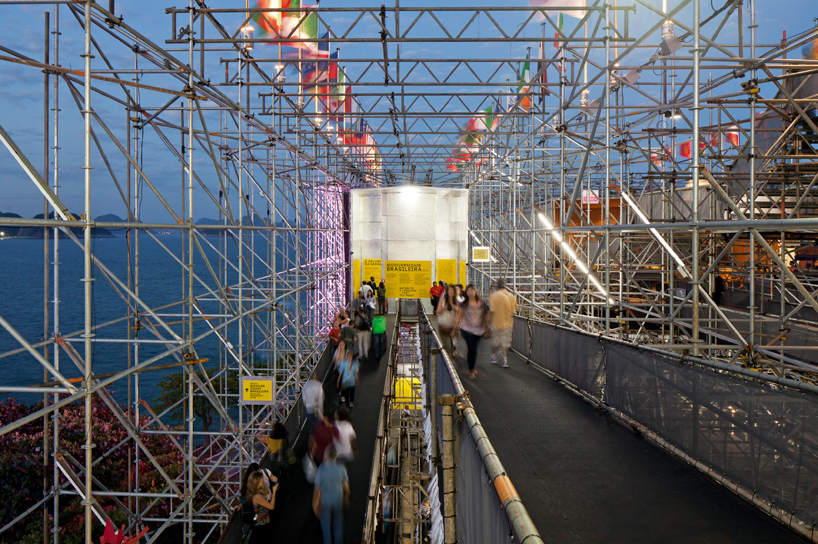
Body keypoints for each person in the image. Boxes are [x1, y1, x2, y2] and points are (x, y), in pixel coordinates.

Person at [453, 284, 490, 380]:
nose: (470, 292)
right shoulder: (464, 304)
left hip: (479, 330)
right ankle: (471, 370)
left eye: (472, 290)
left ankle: (472, 366)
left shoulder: (481, 303)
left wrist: (487, 327)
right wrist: (454, 328)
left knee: (474, 348)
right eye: (468, 291)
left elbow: (486, 314)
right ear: (466, 293)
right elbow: (458, 316)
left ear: (475, 292)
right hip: (467, 330)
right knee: (472, 348)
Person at [314, 445, 349, 544]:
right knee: (338, 524)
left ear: (327, 456)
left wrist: (315, 503)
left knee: (326, 527)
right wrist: (346, 498)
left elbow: (317, 488)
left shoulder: (321, 468)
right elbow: (346, 486)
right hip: (338, 500)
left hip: (325, 502)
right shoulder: (341, 468)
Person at [488, 280, 518, 368]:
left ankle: (493, 357)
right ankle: (505, 360)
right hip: (508, 323)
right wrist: (515, 323)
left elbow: (492, 311)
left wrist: (488, 322)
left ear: (497, 286)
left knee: (495, 341)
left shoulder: (493, 296)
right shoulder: (511, 296)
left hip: (496, 322)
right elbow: (514, 311)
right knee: (505, 342)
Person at [245, 470, 278, 544]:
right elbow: (271, 506)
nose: (262, 481)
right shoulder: (257, 496)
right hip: (261, 524)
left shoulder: (253, 492)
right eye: (261, 480)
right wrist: (274, 491)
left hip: (259, 524)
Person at [436, 284, 458, 357]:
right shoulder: (442, 300)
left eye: (452, 291)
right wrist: (444, 308)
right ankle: (447, 362)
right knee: (449, 349)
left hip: (452, 327)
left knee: (451, 348)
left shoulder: (456, 301)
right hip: (443, 327)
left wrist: (453, 306)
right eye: (449, 290)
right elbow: (437, 312)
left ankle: (447, 361)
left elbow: (460, 312)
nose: (450, 292)